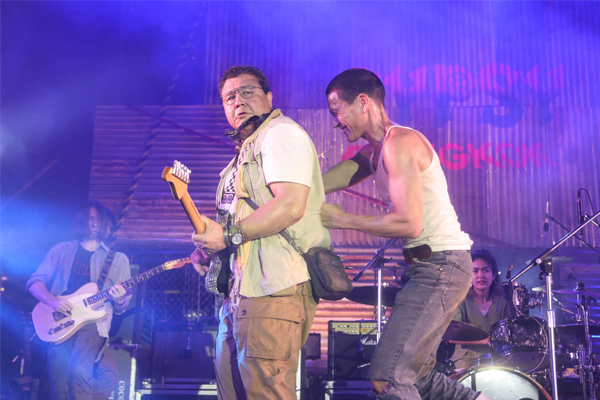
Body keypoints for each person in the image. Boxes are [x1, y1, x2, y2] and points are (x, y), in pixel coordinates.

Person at [321, 68, 489, 400]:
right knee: (419, 377)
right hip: (431, 267)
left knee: (388, 376)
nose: (336, 122)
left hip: (441, 265)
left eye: (337, 110)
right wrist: (301, 190)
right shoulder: (375, 151)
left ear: (363, 102)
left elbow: (409, 224)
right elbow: (340, 174)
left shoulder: (399, 143)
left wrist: (343, 219)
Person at [191, 65, 330, 399]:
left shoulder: (280, 134)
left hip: (273, 288)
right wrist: (214, 245)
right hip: (240, 292)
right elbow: (240, 219)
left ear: (269, 96)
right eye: (229, 97)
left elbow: (290, 205)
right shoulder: (244, 152)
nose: (238, 101)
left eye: (247, 92)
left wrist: (228, 236)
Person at [26, 200, 132, 400]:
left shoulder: (119, 259)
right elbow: (34, 283)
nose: (94, 223)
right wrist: (53, 301)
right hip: (60, 322)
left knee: (82, 373)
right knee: (59, 385)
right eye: (90, 218)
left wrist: (119, 300)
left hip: (93, 325)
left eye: (99, 219)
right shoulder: (61, 250)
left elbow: (122, 306)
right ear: (81, 220)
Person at [451, 249, 512, 370]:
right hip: (465, 360)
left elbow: (508, 336)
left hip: (496, 361)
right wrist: (484, 341)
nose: (480, 275)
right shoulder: (461, 301)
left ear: (494, 275)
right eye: (475, 271)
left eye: (486, 270)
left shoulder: (502, 303)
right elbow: (452, 338)